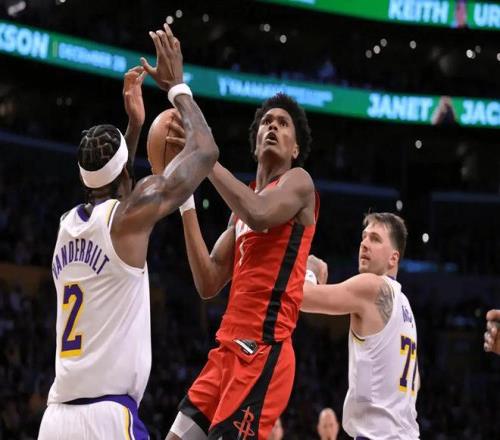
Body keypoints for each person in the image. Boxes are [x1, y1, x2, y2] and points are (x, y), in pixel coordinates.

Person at [37, 23, 218, 440]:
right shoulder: (124, 219)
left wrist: (135, 127)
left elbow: (114, 194)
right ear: (125, 173)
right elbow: (206, 151)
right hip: (106, 417)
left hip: (55, 418)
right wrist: (178, 88)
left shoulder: (67, 227)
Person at [164, 93, 318, 439]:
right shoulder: (239, 213)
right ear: (256, 142)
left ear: (295, 149)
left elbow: (260, 214)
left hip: (263, 350)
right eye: (267, 122)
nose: (273, 127)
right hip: (226, 351)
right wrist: (186, 200)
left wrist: (205, 160)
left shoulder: (299, 182)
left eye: (283, 123)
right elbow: (208, 281)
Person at [302, 213, 420, 440]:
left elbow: (302, 297)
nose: (364, 244)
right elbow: (416, 380)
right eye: (364, 237)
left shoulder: (373, 285)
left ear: (393, 258)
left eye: (375, 239)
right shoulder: (405, 306)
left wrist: (310, 269)